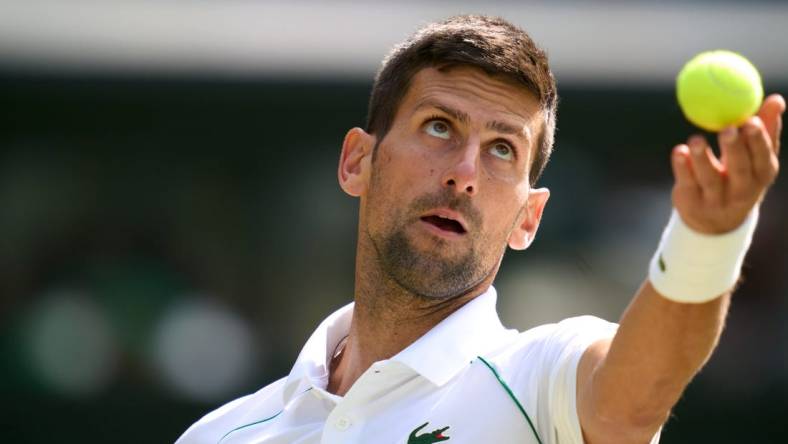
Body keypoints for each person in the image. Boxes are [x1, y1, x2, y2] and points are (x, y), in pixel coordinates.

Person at [176, 15, 784, 444]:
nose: (465, 174)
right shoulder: (219, 436)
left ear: (529, 217)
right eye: (440, 127)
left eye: (501, 150)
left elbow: (634, 400)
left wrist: (708, 239)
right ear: (358, 161)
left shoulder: (542, 377)